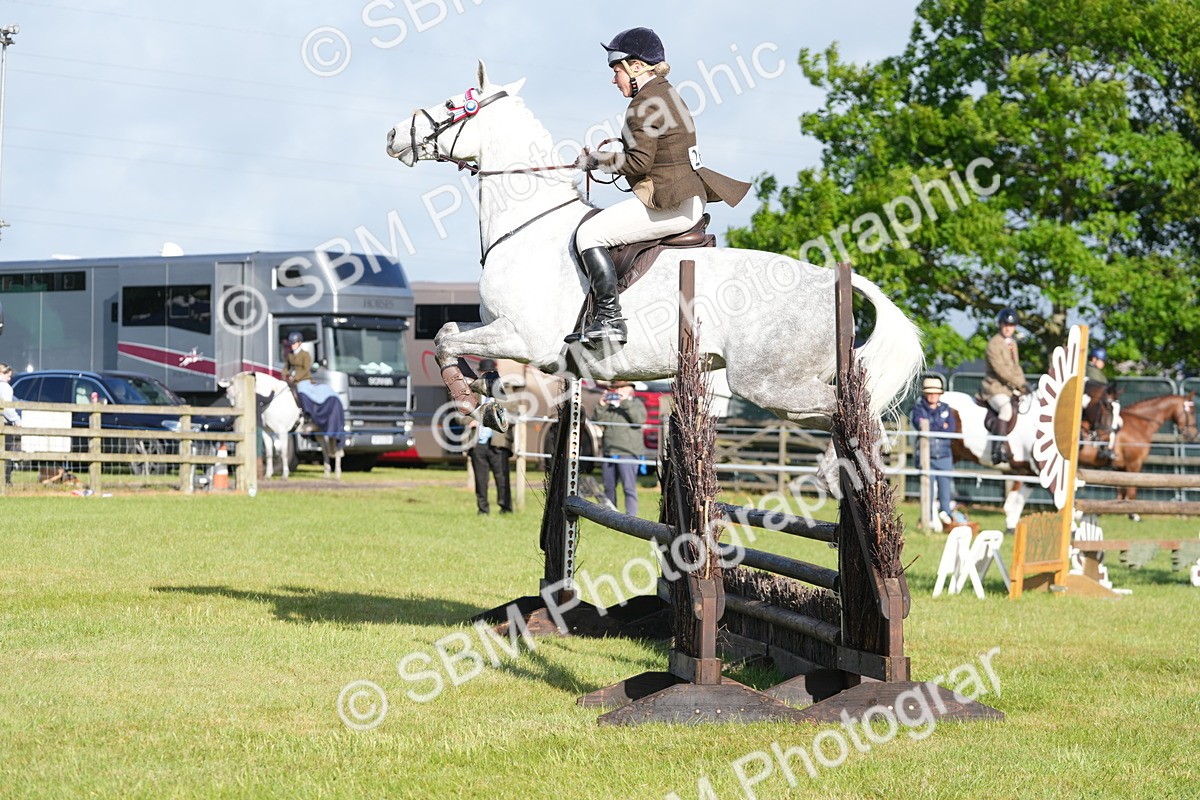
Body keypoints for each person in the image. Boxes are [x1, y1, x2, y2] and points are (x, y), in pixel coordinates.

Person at [573, 27, 750, 347]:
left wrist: (597, 160)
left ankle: (610, 318)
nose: (615, 80)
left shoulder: (645, 103)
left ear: (636, 67)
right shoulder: (666, 93)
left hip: (673, 202)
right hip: (685, 196)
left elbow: (638, 163)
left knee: (589, 234)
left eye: (617, 71)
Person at [981, 307, 1028, 466]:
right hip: (994, 388)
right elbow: (1000, 370)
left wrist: (1024, 385)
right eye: (1005, 325)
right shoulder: (993, 344)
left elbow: (1016, 367)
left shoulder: (1013, 344)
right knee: (1006, 409)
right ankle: (997, 448)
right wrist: (1019, 383)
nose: (1008, 328)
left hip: (1010, 388)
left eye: (1012, 325)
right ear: (1000, 325)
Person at [592, 381, 647, 515]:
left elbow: (639, 419)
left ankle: (632, 518)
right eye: (615, 388)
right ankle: (610, 515)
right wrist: (601, 404)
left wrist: (624, 402)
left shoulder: (636, 403)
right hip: (609, 451)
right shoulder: (611, 407)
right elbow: (597, 420)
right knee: (609, 487)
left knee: (629, 488)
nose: (617, 390)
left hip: (628, 452)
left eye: (620, 387)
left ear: (630, 389)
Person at [910, 375, 957, 527]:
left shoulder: (947, 408)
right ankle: (927, 518)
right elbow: (921, 425)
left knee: (945, 490)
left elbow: (951, 429)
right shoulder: (918, 409)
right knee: (927, 490)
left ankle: (946, 518)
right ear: (925, 394)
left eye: (935, 393)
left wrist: (932, 425)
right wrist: (939, 425)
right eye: (930, 393)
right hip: (926, 456)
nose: (933, 395)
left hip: (944, 455)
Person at [468, 359, 512, 515]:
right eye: (484, 373)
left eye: (489, 373)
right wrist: (471, 419)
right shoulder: (472, 393)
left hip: (498, 442)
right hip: (478, 443)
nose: (486, 375)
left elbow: (513, 416)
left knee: (502, 478)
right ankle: (482, 509)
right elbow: (459, 415)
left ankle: (505, 508)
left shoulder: (505, 393)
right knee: (480, 479)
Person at [0, 364, 19, 484]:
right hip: (4, 424)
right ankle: (5, 480)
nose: (10, 379)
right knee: (6, 453)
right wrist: (16, 419)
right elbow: (7, 408)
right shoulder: (6, 388)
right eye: (8, 375)